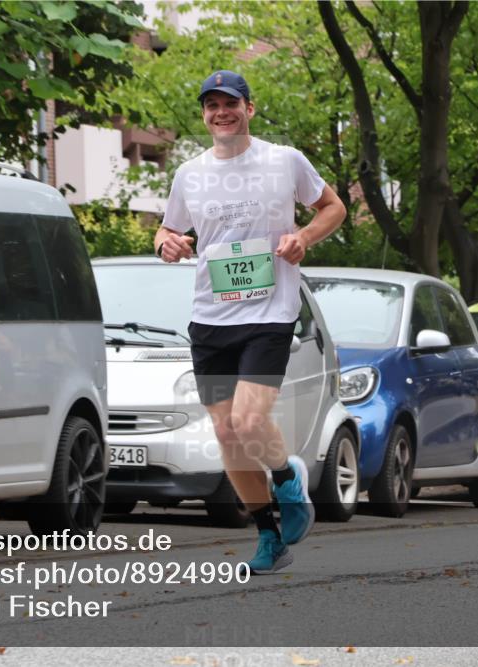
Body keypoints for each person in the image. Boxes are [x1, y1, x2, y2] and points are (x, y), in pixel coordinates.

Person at [155, 70, 347, 572]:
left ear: (249, 108)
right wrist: (166, 243)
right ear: (204, 114)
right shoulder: (189, 174)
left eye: (230, 103)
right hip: (210, 317)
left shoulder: (284, 161)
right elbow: (168, 227)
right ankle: (269, 536)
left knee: (248, 419)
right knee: (225, 434)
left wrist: (304, 237)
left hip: (269, 313)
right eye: (212, 105)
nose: (221, 112)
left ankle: (287, 479)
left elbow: (333, 207)